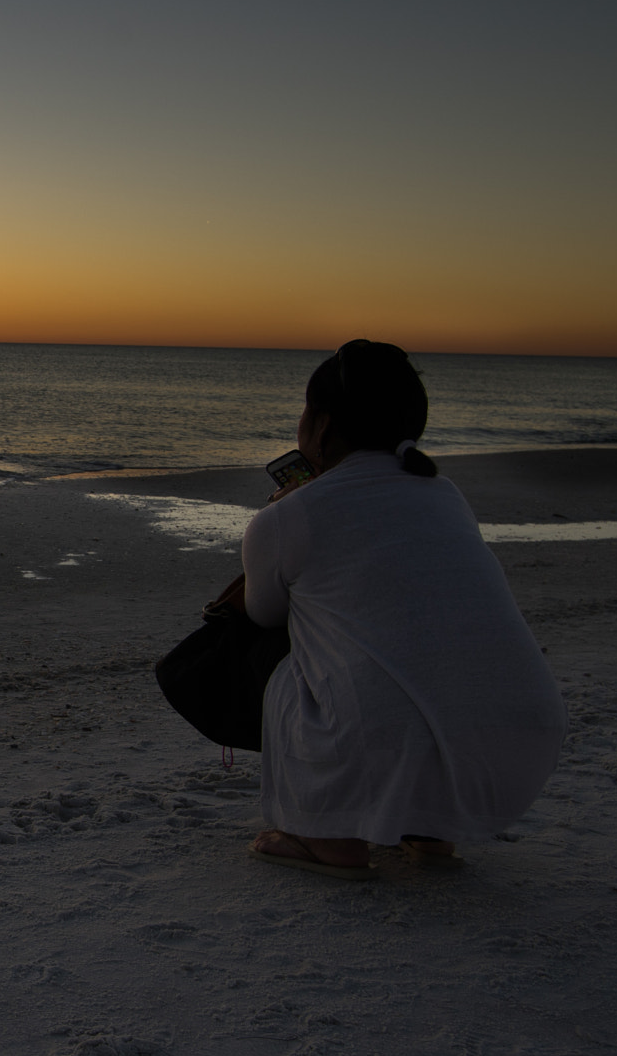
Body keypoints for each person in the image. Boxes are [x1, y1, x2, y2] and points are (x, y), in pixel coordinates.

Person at [233, 340, 567, 879]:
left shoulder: (291, 515)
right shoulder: (444, 493)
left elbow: (261, 614)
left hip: (392, 741)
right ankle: (430, 831)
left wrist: (282, 524)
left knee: (282, 655)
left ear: (321, 427)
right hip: (521, 747)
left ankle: (328, 836)